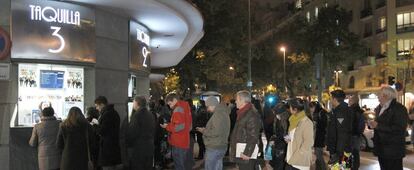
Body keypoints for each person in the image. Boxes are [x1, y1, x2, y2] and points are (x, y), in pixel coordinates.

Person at [369, 86, 408, 170]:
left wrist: (378, 126)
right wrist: (373, 125)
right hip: (382, 149)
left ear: (386, 96)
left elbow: (400, 128)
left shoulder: (399, 109)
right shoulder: (379, 108)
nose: (377, 97)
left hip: (393, 150)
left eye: (379, 94)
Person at [230, 90, 261, 170]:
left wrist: (247, 153)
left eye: (237, 99)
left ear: (242, 100)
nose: (235, 101)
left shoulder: (251, 114)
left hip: (245, 154)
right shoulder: (243, 113)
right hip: (241, 151)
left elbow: (253, 136)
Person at [196, 97, 230, 170]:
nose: (207, 109)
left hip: (214, 147)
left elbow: (216, 131)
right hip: (220, 145)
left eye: (208, 107)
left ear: (212, 105)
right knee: (217, 167)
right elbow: (218, 129)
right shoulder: (223, 112)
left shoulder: (218, 114)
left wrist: (203, 131)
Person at [160, 93, 192, 170]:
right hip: (184, 141)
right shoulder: (184, 107)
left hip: (178, 142)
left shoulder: (178, 109)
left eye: (170, 104)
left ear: (174, 100)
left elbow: (179, 127)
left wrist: (167, 126)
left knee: (179, 165)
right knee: (182, 165)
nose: (170, 107)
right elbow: (189, 126)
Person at [127, 96, 156, 169]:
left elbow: (132, 132)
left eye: (133, 102)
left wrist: (129, 144)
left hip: (139, 148)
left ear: (137, 103)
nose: (133, 104)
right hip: (149, 147)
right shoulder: (150, 114)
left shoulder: (137, 115)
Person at [284, 98, 314, 170]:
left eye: (290, 107)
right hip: (290, 158)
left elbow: (309, 142)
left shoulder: (307, 122)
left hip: (300, 162)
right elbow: (292, 136)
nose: (289, 109)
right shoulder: (292, 120)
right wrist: (287, 138)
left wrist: (299, 154)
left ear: (295, 109)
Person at [94, 96, 122, 170]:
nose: (96, 108)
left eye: (97, 106)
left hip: (108, 150)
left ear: (102, 104)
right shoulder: (114, 113)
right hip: (114, 149)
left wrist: (94, 125)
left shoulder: (107, 115)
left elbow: (102, 131)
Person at [327, 90, 353, 168]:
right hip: (342, 148)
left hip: (341, 150)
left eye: (331, 98)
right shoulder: (341, 110)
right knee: (344, 168)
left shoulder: (340, 112)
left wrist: (338, 152)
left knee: (341, 168)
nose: (330, 100)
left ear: (335, 99)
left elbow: (342, 132)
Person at [269, 102, 290, 169]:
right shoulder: (277, 119)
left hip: (283, 146)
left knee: (280, 165)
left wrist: (276, 139)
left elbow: (286, 134)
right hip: (277, 145)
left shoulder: (287, 120)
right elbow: (276, 132)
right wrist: (273, 139)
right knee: (276, 164)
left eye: (276, 113)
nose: (275, 115)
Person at [309, 101, 327, 170]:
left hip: (320, 137)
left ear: (314, 107)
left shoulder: (321, 113)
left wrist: (315, 124)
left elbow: (323, 126)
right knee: (317, 154)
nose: (311, 110)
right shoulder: (318, 113)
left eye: (311, 108)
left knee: (319, 155)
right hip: (318, 137)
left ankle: (323, 168)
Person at [348, 95, 365, 170]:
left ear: (353, 101)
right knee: (356, 154)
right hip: (357, 136)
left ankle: (348, 168)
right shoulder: (360, 111)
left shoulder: (349, 110)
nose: (348, 102)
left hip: (350, 136)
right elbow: (362, 125)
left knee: (348, 153)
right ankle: (355, 167)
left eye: (350, 100)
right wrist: (359, 133)